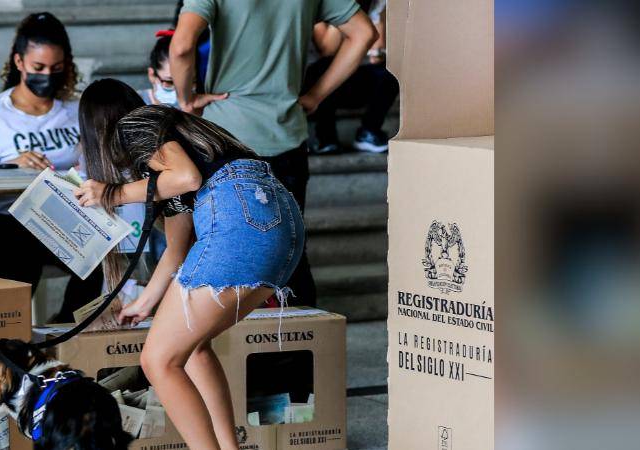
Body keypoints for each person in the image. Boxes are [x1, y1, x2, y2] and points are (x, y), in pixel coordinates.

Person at [73, 79, 303, 450]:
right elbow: (177, 250)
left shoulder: (134, 126)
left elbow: (187, 177)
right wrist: (143, 304)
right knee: (191, 348)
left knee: (158, 361)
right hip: (276, 224)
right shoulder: (174, 144)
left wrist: (112, 193)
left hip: (241, 221)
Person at [171, 0, 376, 307]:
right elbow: (363, 33)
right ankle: (301, 348)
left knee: (226, 252)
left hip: (226, 142)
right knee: (291, 251)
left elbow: (181, 47)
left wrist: (186, 99)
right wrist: (316, 95)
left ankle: (239, 351)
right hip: (287, 137)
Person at [0, 12, 102, 323]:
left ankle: (63, 332)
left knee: (97, 253)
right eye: (38, 68)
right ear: (19, 62)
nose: (47, 75)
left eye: (56, 68)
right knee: (24, 253)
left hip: (56, 218)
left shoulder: (75, 111)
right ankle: (3, 343)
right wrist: (11, 166)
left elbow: (94, 172)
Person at [305, 0, 397, 153]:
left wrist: (376, 52)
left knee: (389, 72)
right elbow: (328, 48)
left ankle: (369, 132)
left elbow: (377, 45)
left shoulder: (375, 4)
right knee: (325, 66)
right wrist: (348, 10)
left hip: (352, 78)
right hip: (316, 81)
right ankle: (325, 138)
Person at [139, 32, 178, 107]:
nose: (181, 88)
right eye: (170, 82)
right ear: (152, 75)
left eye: (191, 82)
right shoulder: (135, 102)